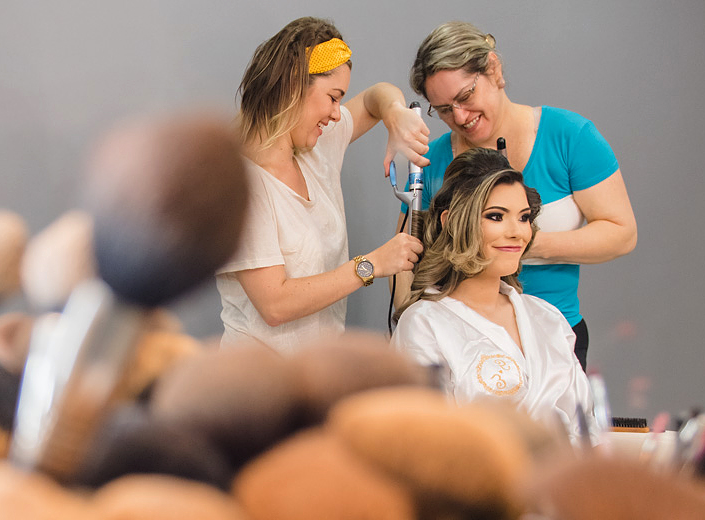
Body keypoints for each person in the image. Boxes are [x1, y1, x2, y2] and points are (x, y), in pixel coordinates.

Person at [399, 21, 637, 369]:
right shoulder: (429, 164)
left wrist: (521, 242)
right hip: (459, 344)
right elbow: (406, 258)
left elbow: (621, 233)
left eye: (465, 97)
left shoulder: (569, 137)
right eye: (445, 109)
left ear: (492, 68)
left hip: (554, 337)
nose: (461, 117)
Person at [218, 17, 430, 351]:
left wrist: (396, 117)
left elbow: (377, 96)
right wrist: (371, 265)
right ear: (292, 84)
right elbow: (275, 305)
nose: (336, 114)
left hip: (316, 376)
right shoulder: (240, 185)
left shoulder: (316, 149)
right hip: (258, 386)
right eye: (333, 97)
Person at [393, 150, 600, 445]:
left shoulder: (548, 318)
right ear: (451, 221)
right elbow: (427, 444)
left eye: (524, 217)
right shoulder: (424, 325)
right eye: (496, 216)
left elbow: (587, 426)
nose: (517, 232)